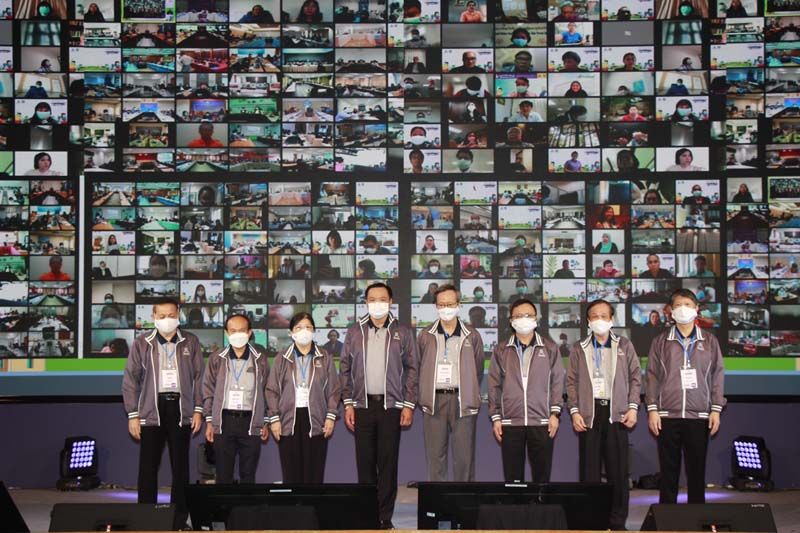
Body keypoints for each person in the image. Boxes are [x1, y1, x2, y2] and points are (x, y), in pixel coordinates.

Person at [340, 283, 419, 529]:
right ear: (365, 302)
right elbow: (344, 368)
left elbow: (412, 369)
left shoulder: (403, 332)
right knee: (364, 464)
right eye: (372, 299)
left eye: (382, 299)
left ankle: (385, 517)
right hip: (362, 406)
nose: (377, 303)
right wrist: (348, 403)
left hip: (391, 407)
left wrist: (408, 405)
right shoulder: (354, 332)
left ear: (391, 301)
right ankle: (367, 515)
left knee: (387, 464)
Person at [122, 297, 205, 529]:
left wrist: (198, 410)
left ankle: (179, 520)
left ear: (179, 315)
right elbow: (130, 380)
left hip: (181, 408)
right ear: (153, 317)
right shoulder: (142, 342)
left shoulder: (191, 341)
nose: (167, 319)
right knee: (148, 468)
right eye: (162, 316)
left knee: (181, 469)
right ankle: (146, 518)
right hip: (152, 409)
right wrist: (133, 414)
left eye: (171, 315)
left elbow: (200, 377)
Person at [646, 289, 725, 503]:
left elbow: (717, 376)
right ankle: (667, 517)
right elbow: (652, 376)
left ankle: (696, 516)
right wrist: (652, 409)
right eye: (678, 305)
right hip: (667, 415)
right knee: (668, 472)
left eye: (688, 305)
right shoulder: (660, 342)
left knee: (696, 472)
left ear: (696, 309)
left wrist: (716, 410)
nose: (683, 309)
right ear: (671, 311)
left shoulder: (709, 341)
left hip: (699, 415)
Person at [567, 300, 641, 530]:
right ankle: (592, 522)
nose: (599, 320)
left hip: (616, 414)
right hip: (589, 415)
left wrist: (633, 407)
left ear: (611, 319)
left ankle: (617, 522)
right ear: (588, 321)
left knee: (618, 473)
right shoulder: (579, 348)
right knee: (589, 473)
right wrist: (575, 411)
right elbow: (571, 382)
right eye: (594, 316)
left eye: (603, 315)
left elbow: (636, 378)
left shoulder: (624, 345)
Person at [488, 299, 565, 482]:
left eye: (528, 315)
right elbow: (494, 385)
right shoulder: (501, 350)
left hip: (542, 421)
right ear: (511, 320)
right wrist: (496, 417)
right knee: (513, 478)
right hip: (510, 422)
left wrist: (555, 413)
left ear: (535, 318)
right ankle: (515, 502)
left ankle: (540, 501)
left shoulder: (549, 348)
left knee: (541, 477)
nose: (523, 319)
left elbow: (557, 382)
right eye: (518, 316)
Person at [417, 285, 485, 481]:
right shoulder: (425, 335)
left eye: (450, 304)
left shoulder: (472, 335)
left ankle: (463, 499)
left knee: (464, 458)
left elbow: (478, 368)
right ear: (436, 306)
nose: (446, 308)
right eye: (441, 304)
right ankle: (439, 499)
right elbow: (420, 365)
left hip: (462, 401)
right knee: (435, 458)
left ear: (459, 305)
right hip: (434, 401)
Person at [267, 312, 340, 483]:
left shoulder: (325, 357)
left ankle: (313, 502)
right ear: (291, 332)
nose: (304, 331)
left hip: (316, 419)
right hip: (288, 419)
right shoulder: (281, 358)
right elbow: (272, 390)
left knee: (314, 472)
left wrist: (330, 416)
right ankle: (294, 502)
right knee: (291, 472)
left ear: (314, 330)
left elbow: (334, 389)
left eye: (308, 327)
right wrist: (274, 419)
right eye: (299, 327)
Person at [202, 314, 269, 484]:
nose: (237, 334)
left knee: (248, 474)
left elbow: (266, 391)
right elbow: (208, 390)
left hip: (250, 422)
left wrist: (265, 421)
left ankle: (246, 503)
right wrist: (209, 421)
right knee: (223, 475)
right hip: (224, 421)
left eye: (242, 330)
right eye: (233, 331)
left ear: (249, 332)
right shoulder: (216, 358)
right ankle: (225, 503)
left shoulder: (260, 359)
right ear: (226, 333)